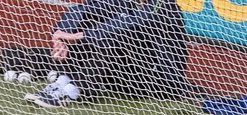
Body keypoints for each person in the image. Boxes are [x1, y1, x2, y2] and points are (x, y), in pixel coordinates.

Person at [26, 0, 193, 108]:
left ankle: (76, 90)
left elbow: (132, 22)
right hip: (126, 78)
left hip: (160, 81)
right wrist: (61, 34)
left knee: (112, 35)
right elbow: (81, 9)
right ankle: (64, 81)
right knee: (88, 22)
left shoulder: (163, 5)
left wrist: (81, 35)